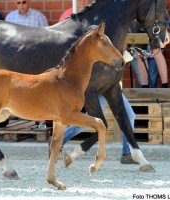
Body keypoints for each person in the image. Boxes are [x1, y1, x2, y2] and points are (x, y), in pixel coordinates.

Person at [48, 0, 137, 164]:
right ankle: (59, 140)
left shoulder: (106, 24)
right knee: (87, 122)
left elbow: (111, 53)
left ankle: (127, 153)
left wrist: (126, 57)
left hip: (110, 85)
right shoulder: (74, 19)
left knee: (129, 116)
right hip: (95, 86)